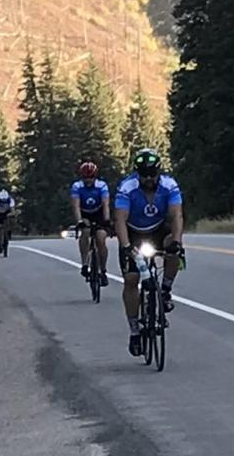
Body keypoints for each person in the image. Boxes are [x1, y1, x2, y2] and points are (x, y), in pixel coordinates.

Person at [114, 148, 184, 356]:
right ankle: (135, 330)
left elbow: (177, 216)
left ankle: (165, 290)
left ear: (158, 172)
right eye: (144, 175)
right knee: (131, 279)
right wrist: (126, 247)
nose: (148, 179)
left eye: (152, 174)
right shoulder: (127, 188)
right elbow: (119, 219)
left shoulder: (169, 186)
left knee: (175, 248)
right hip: (133, 233)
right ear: (137, 173)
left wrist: (177, 242)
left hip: (158, 229)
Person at [71, 161, 111, 286]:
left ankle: (103, 270)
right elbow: (76, 206)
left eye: (91, 177)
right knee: (86, 231)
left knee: (100, 239)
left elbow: (106, 205)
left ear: (95, 176)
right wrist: (79, 221)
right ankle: (84, 264)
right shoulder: (77, 186)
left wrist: (106, 220)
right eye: (86, 178)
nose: (89, 180)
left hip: (98, 212)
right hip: (85, 213)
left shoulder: (102, 186)